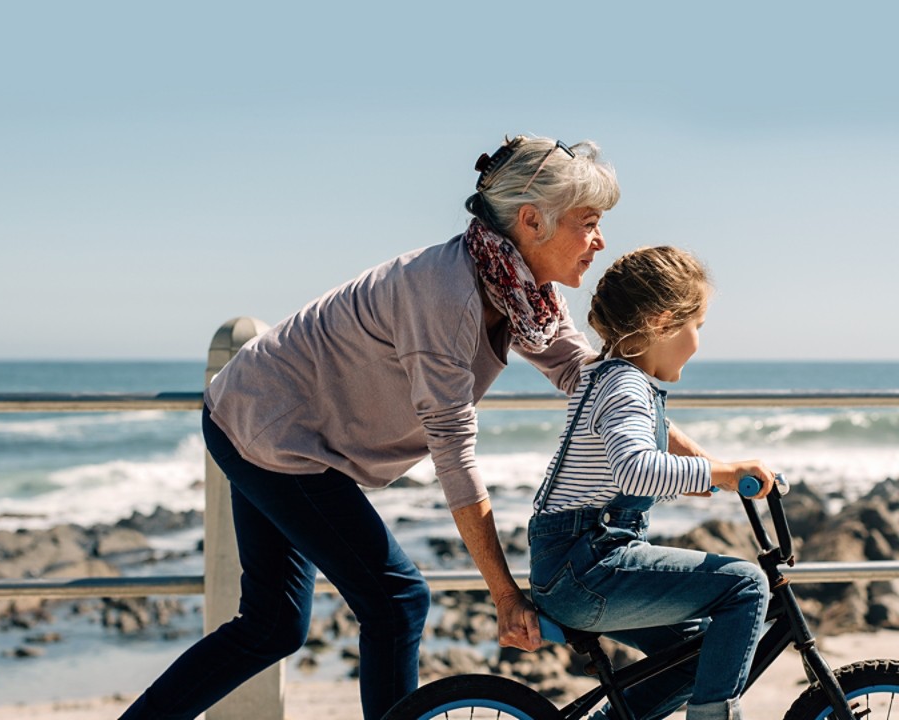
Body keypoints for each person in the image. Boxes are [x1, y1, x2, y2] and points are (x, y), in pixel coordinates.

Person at [122, 134, 660, 720]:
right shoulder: (447, 299)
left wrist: (707, 464)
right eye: (588, 222)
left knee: (273, 625)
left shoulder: (517, 290)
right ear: (531, 221)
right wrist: (506, 596)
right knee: (397, 600)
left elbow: (599, 386)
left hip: (261, 416)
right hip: (273, 432)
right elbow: (453, 456)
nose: (601, 241)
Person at [527, 246, 776, 720]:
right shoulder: (626, 385)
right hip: (587, 567)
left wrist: (707, 470)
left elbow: (642, 450)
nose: (699, 339)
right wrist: (724, 475)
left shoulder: (608, 377)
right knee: (745, 586)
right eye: (696, 326)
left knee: (694, 654)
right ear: (662, 324)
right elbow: (636, 467)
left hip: (573, 563)